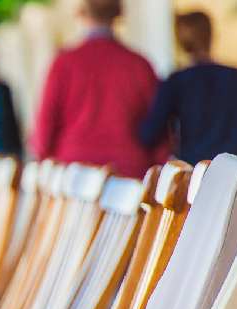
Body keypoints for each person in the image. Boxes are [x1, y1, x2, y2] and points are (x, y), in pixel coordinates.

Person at [31, 0, 164, 178]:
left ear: (81, 13)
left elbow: (44, 127)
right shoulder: (139, 65)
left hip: (74, 174)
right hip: (129, 173)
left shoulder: (64, 64)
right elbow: (158, 127)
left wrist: (43, 159)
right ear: (118, 13)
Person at [137, 11, 237, 166]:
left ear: (181, 42)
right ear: (211, 36)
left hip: (197, 171)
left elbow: (149, 133)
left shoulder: (176, 82)